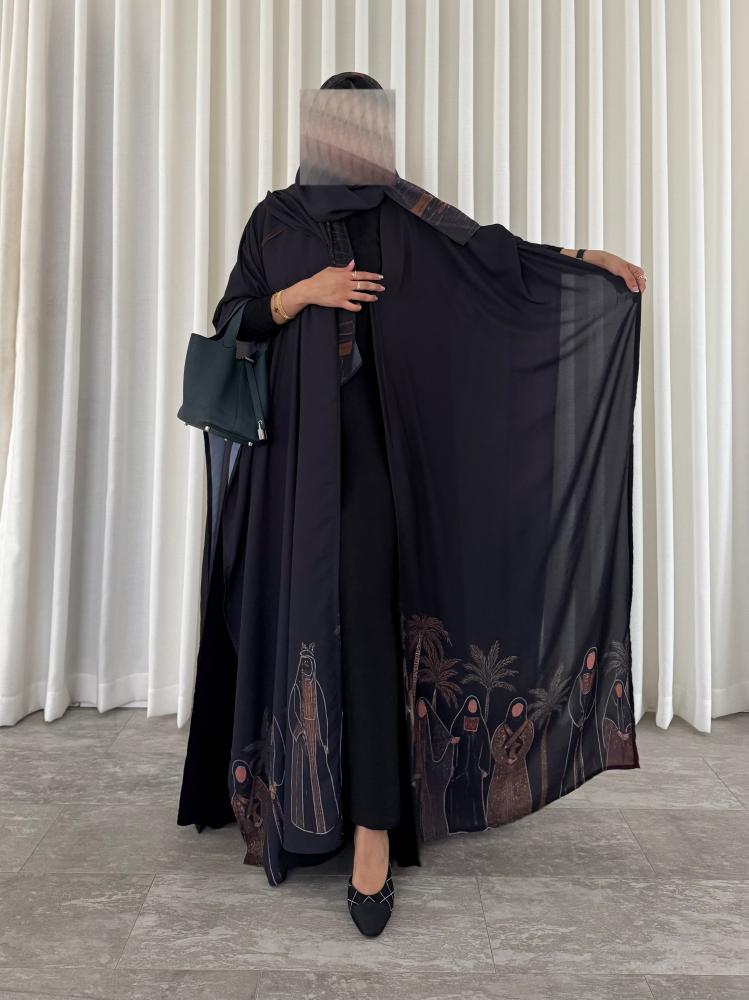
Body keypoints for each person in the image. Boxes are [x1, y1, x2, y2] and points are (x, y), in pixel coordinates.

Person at [178, 70, 646, 938]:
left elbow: (494, 258)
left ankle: (371, 835)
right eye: (341, 127)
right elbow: (232, 319)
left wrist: (584, 262)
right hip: (290, 466)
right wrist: (302, 295)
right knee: (299, 627)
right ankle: (299, 802)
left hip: (374, 463)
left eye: (369, 128)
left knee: (364, 623)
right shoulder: (276, 218)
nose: (356, 144)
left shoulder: (406, 215)